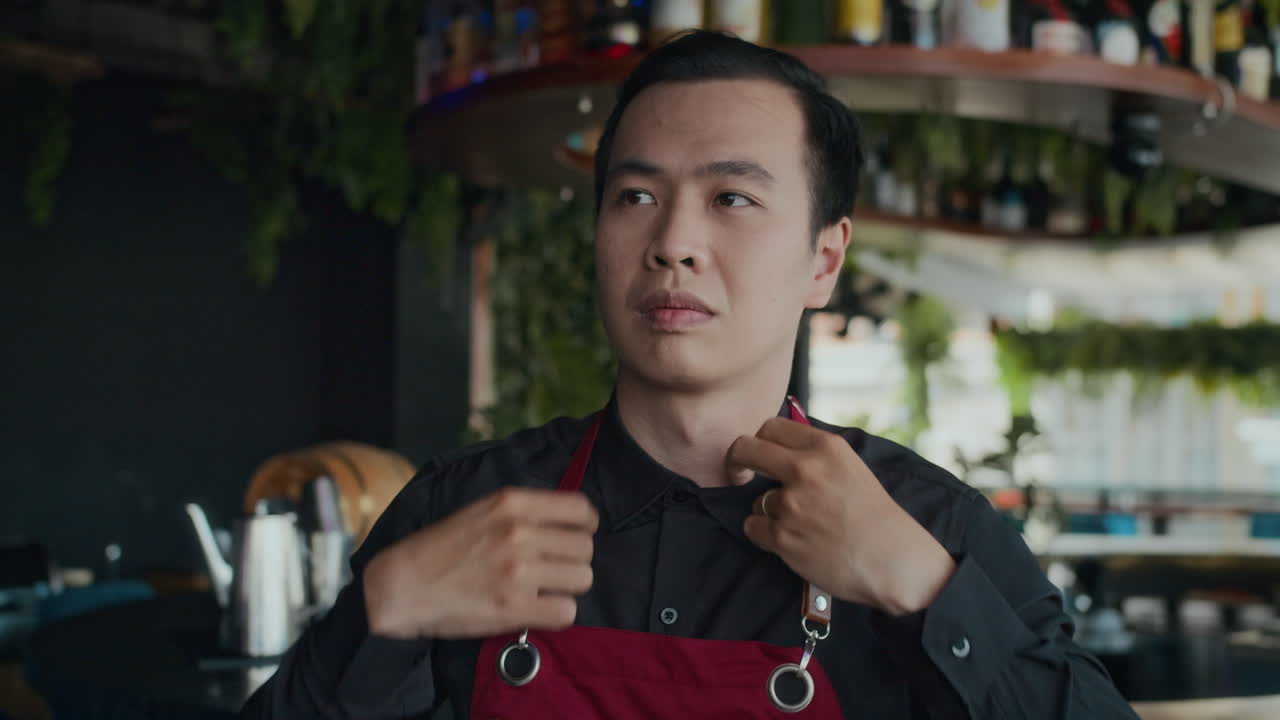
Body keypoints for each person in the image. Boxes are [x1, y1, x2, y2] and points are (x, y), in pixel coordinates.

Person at [242, 31, 1138, 719]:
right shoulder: (458, 511)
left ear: (824, 260)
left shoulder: (934, 530)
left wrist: (926, 590)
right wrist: (382, 610)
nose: (672, 242)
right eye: (637, 197)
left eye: (732, 199)